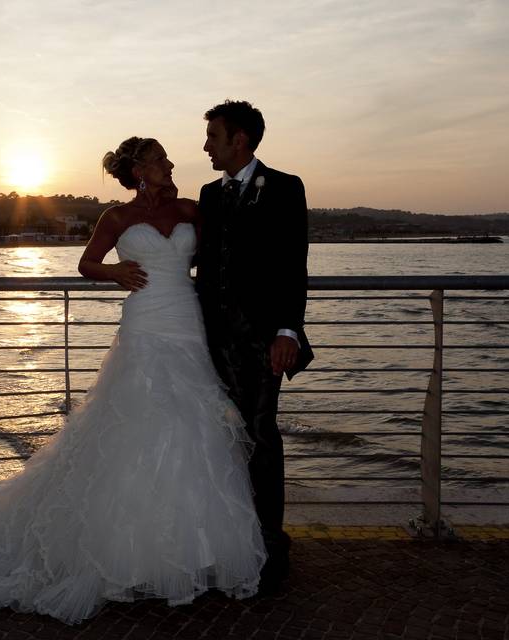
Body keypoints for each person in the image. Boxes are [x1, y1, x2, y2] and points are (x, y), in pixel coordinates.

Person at [0, 136, 266, 625]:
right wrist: (115, 272)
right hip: (145, 323)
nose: (169, 163)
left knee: (192, 427)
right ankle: (126, 552)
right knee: (138, 425)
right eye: (158, 158)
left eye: (165, 158)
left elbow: (217, 261)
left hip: (187, 321)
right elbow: (86, 264)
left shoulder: (194, 209)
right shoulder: (115, 218)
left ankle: (195, 550)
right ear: (138, 170)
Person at [195, 100, 313, 594]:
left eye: (214, 137)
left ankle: (269, 547)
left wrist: (288, 331)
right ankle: (227, 539)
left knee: (262, 435)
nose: (206, 146)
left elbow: (294, 263)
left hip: (264, 341)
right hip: (210, 342)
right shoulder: (207, 193)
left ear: (239, 139)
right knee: (220, 440)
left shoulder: (285, 187)